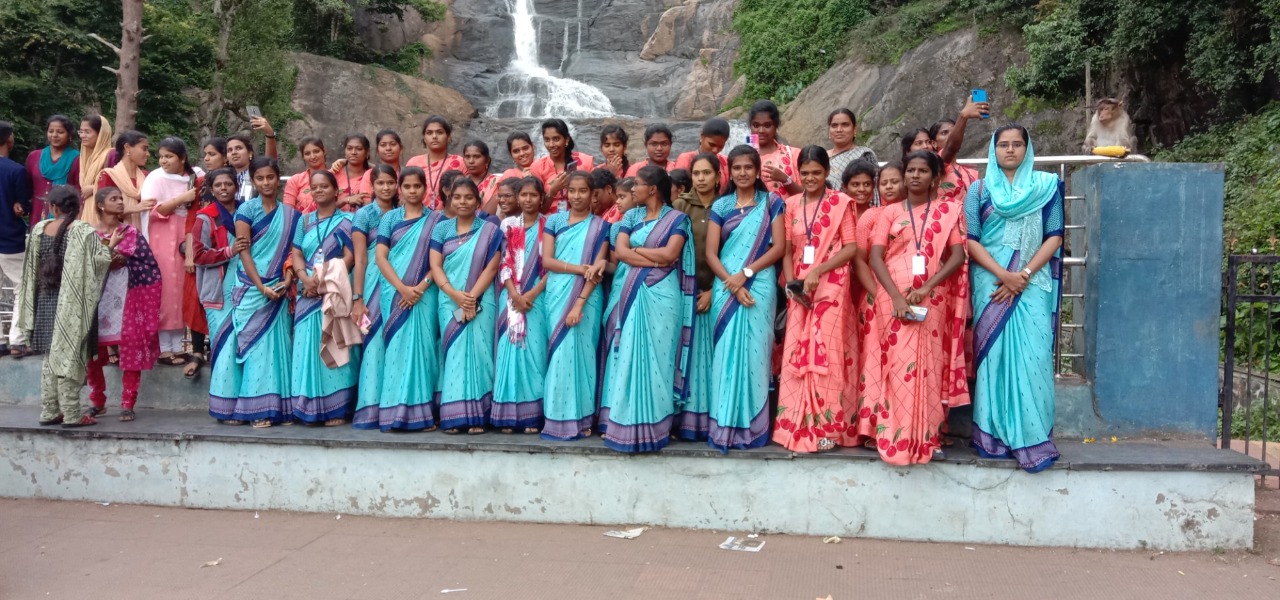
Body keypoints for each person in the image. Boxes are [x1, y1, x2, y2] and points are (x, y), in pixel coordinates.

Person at [966, 125, 1063, 473]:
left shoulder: (1046, 186)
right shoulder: (979, 189)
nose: (1010, 150)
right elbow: (971, 239)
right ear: (994, 151)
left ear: (1027, 148)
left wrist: (1023, 275)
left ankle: (1033, 438)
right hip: (990, 283)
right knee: (994, 359)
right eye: (1003, 145)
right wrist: (1003, 275)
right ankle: (992, 437)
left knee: (1034, 357)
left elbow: (1054, 235)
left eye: (1017, 144)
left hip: (1031, 284)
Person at [864, 150, 969, 465]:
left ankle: (927, 435)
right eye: (910, 170)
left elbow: (957, 255)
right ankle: (893, 433)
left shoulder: (947, 210)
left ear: (935, 178)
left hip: (931, 297)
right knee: (896, 365)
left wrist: (926, 287)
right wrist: (896, 297)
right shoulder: (889, 212)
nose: (915, 176)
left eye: (923, 171)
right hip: (891, 296)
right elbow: (875, 257)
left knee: (928, 366)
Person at [600, 166, 695, 453]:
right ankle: (626, 425)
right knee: (630, 355)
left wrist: (638, 252)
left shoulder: (678, 219)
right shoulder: (630, 217)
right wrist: (653, 258)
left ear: (652, 189)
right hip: (632, 292)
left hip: (663, 296)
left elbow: (670, 254)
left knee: (659, 359)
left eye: (637, 185)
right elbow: (622, 253)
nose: (632, 190)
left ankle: (656, 427)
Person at [774, 146, 860, 453]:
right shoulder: (791, 204)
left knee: (827, 351)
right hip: (799, 287)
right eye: (805, 173)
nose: (810, 178)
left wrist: (819, 270)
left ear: (827, 172)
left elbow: (851, 247)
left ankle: (828, 428)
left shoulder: (841, 202)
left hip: (831, 285)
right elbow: (786, 250)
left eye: (817, 173)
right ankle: (795, 422)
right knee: (798, 349)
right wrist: (792, 284)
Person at [704, 146, 787, 452]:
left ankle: (753, 429)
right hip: (726, 285)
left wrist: (747, 273)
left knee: (755, 354)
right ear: (730, 171)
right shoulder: (721, 205)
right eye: (737, 168)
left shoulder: (771, 203)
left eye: (748, 167)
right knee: (725, 355)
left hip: (759, 284)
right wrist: (732, 283)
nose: (742, 173)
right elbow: (711, 253)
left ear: (757, 170)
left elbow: (779, 248)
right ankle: (724, 426)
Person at [18, 186, 112, 427]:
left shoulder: (39, 229)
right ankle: (71, 413)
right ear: (77, 207)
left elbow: (31, 270)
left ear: (53, 207)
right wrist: (111, 248)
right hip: (73, 305)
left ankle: (50, 411)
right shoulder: (83, 231)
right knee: (71, 356)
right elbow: (101, 261)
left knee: (51, 358)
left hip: (44, 304)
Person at [372, 167, 445, 431]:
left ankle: (421, 415)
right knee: (396, 350)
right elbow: (381, 257)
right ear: (399, 189)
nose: (412, 191)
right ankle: (392, 414)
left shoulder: (437, 220)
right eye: (407, 186)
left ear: (425, 188)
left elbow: (440, 260)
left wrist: (421, 287)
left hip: (426, 293)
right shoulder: (390, 219)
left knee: (423, 351)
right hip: (394, 293)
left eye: (417, 186)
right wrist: (402, 288)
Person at [229, 157, 299, 428]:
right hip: (252, 288)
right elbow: (244, 251)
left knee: (279, 350)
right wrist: (260, 286)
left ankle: (280, 409)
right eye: (260, 178)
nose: (266, 183)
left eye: (270, 177)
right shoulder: (246, 211)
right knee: (257, 350)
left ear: (278, 179)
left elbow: (294, 252)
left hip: (279, 289)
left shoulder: (291, 215)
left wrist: (288, 279)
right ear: (253, 181)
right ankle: (257, 410)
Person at [430, 178, 502, 434]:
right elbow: (435, 266)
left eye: (469, 197)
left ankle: (479, 416)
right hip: (448, 300)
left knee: (481, 353)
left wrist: (471, 297)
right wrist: (455, 295)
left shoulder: (491, 229)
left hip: (481, 299)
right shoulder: (441, 229)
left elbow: (492, 267)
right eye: (457, 197)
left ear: (478, 201)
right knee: (454, 353)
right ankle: (453, 415)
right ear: (450, 200)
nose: (463, 202)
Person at [540, 173, 609, 441]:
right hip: (557, 293)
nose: (577, 196)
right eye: (572, 191)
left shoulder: (601, 226)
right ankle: (556, 418)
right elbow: (547, 261)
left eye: (582, 191)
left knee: (583, 354)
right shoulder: (554, 222)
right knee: (559, 354)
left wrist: (579, 304)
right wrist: (579, 268)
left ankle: (582, 418)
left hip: (587, 298)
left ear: (593, 195)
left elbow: (596, 272)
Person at [86, 187, 162, 422]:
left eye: (121, 198)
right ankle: (97, 401)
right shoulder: (89, 235)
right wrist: (107, 258)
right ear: (100, 205)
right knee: (92, 353)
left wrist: (123, 260)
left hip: (129, 299)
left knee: (131, 349)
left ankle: (128, 403)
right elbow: (81, 266)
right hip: (97, 301)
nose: (120, 202)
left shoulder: (131, 232)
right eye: (114, 199)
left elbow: (149, 265)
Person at [289, 170, 357, 426]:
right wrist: (304, 279)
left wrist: (325, 280)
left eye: (324, 187)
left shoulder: (348, 221)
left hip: (334, 291)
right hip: (307, 291)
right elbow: (296, 252)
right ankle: (306, 407)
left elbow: (350, 256)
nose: (318, 191)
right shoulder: (304, 221)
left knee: (333, 343)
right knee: (306, 347)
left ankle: (335, 409)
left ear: (335, 191)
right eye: (314, 187)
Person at [492, 177, 549, 434]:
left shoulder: (550, 225)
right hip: (510, 296)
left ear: (541, 198)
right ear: (517, 198)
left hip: (539, 297)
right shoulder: (508, 224)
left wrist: (532, 294)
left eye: (533, 195)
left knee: (534, 352)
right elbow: (504, 261)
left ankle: (531, 417)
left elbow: (551, 265)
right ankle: (507, 416)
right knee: (510, 350)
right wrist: (515, 295)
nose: (528, 199)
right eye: (523, 195)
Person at [670, 153, 720, 441]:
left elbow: (732, 252)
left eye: (707, 173)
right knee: (684, 359)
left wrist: (715, 291)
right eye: (696, 173)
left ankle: (713, 419)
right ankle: (682, 422)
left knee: (712, 361)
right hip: (684, 294)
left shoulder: (726, 205)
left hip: (718, 292)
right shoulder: (679, 206)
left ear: (718, 176)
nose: (701, 179)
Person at [193, 168, 249, 424]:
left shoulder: (246, 211)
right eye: (218, 185)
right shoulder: (205, 217)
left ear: (236, 186)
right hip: (218, 292)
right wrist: (228, 251)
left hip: (245, 288)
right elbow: (197, 254)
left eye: (228, 184)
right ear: (211, 189)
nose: (224, 188)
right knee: (224, 347)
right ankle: (224, 409)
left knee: (243, 346)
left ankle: (244, 404)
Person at [140, 137, 199, 367]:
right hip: (162, 236)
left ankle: (179, 346)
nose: (163, 161)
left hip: (187, 235)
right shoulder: (155, 177)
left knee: (182, 290)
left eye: (169, 156)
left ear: (182, 158)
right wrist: (180, 199)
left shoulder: (195, 177)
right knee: (166, 291)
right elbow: (153, 210)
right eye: (161, 156)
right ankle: (164, 348)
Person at [351, 165, 401, 430]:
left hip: (400, 280)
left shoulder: (403, 212)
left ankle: (394, 405)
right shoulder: (364, 215)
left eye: (390, 182)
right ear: (372, 186)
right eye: (380, 183)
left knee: (396, 341)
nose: (386, 187)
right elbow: (360, 259)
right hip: (372, 282)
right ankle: (370, 408)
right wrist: (358, 299)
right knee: (372, 342)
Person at [0, 121, 33, 358]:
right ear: (9, 140)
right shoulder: (15, 170)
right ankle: (17, 341)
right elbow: (24, 205)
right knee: (23, 286)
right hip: (9, 239)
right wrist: (22, 206)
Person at [25, 115, 80, 225]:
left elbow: (79, 191)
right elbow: (26, 186)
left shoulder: (77, 159)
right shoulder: (34, 156)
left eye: (60, 132)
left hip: (65, 213)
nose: (54, 135)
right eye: (51, 131)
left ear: (69, 135)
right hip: (36, 211)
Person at [407, 115, 465, 209]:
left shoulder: (460, 162)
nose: (434, 136)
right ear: (424, 138)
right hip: (418, 214)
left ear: (449, 137)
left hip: (450, 215)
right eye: (429, 133)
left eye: (439, 132)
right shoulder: (414, 163)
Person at [97, 130, 150, 232]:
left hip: (145, 233)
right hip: (116, 234)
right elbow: (103, 209)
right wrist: (134, 208)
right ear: (127, 148)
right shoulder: (109, 175)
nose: (148, 154)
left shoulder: (146, 176)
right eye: (144, 149)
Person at [748, 100, 802, 197]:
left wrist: (785, 180)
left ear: (776, 125)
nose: (761, 130)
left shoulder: (793, 154)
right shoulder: (743, 158)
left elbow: (808, 196)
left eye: (767, 125)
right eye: (756, 125)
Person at [673, 118, 730, 191]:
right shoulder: (686, 159)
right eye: (711, 144)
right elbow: (677, 189)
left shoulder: (725, 162)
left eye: (720, 146)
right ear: (702, 136)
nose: (715, 150)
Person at [826, 109, 877, 189]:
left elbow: (871, 189)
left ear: (854, 129)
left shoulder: (864, 155)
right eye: (834, 125)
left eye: (845, 125)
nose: (839, 130)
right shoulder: (821, 156)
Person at [283, 137, 328, 214]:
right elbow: (287, 212)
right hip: (301, 221)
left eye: (316, 151)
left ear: (324, 151)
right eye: (307, 153)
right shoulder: (295, 180)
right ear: (303, 157)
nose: (312, 156)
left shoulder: (335, 176)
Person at [78, 114, 114, 201]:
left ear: (101, 134)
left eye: (87, 132)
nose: (82, 135)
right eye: (81, 131)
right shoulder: (83, 158)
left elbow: (120, 183)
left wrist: (95, 188)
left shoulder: (111, 155)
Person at [335, 133, 373, 211]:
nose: (353, 152)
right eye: (349, 148)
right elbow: (324, 208)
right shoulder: (334, 174)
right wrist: (346, 200)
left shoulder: (372, 176)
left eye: (359, 149)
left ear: (367, 152)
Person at [463, 140, 502, 211]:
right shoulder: (460, 182)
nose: (471, 161)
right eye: (467, 157)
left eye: (476, 157)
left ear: (487, 160)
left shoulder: (498, 182)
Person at [226, 134, 256, 204]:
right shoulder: (225, 178)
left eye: (238, 148)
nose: (233, 152)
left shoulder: (257, 175)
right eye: (230, 150)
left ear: (250, 153)